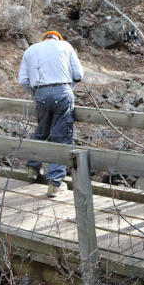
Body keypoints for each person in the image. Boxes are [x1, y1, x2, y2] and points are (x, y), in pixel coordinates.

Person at [18, 30, 83, 197]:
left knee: (41, 131)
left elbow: (23, 80)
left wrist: (36, 94)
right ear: (58, 38)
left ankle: (33, 168)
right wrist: (68, 89)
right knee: (61, 137)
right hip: (62, 93)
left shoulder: (31, 50)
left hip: (40, 94)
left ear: (44, 38)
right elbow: (78, 74)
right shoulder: (65, 46)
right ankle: (54, 183)